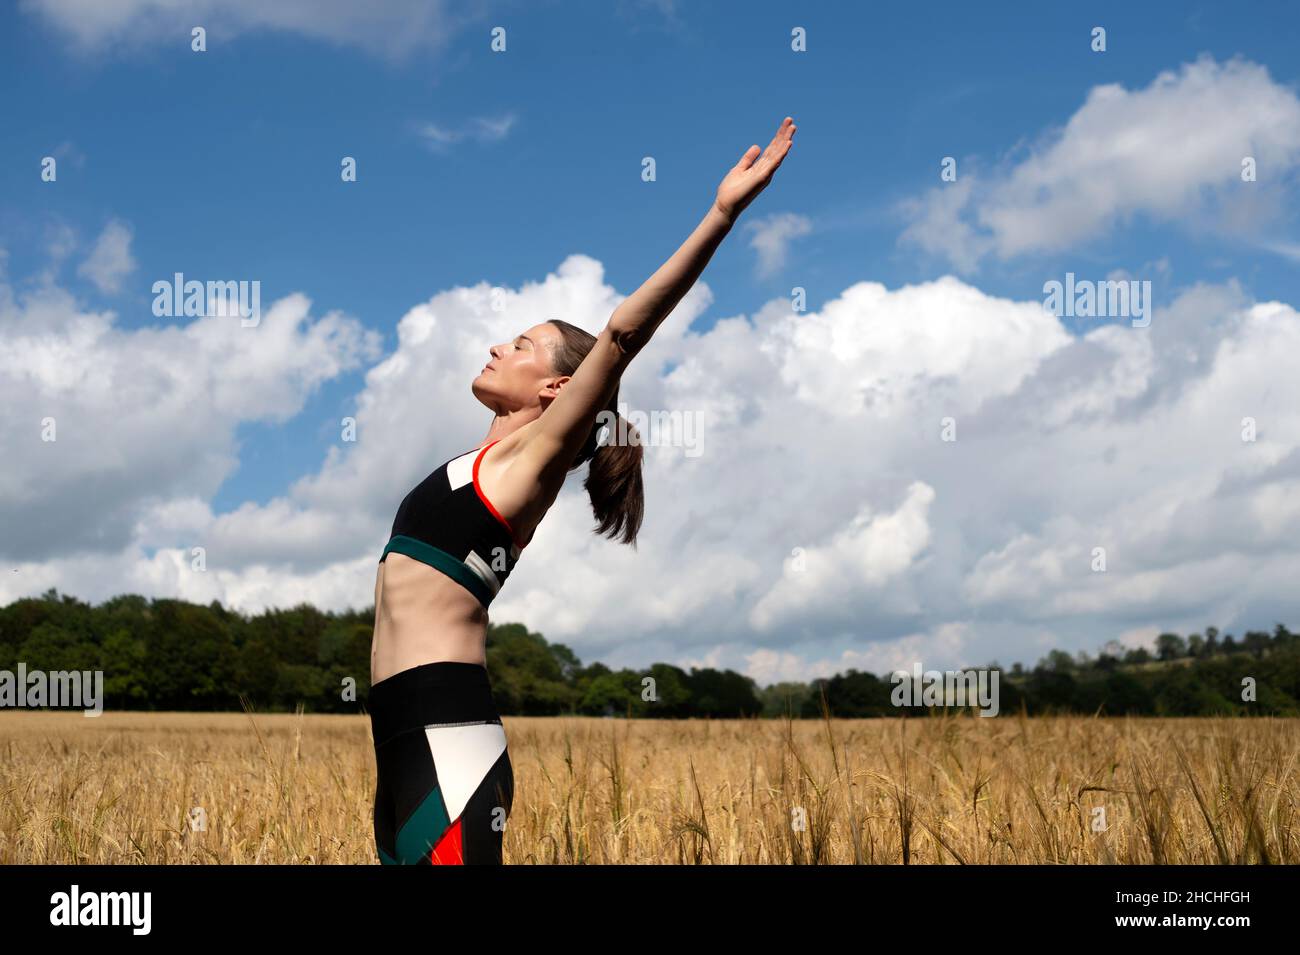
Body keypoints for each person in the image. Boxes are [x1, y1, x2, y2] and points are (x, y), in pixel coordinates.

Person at [367, 116, 798, 864]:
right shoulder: (473, 463)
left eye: (523, 345)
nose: (500, 345)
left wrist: (721, 214)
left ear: (560, 388)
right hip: (401, 738)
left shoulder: (531, 461)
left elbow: (626, 331)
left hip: (448, 733)